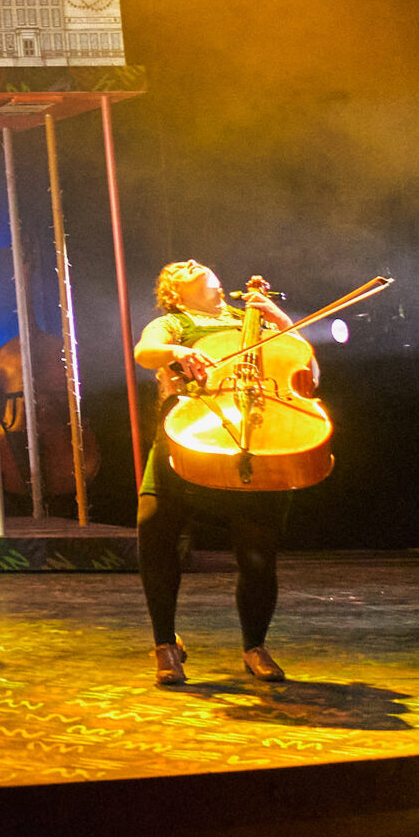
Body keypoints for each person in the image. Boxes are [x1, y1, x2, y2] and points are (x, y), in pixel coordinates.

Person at [131, 260, 299, 686]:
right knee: (154, 528)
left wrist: (281, 322)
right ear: (175, 293)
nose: (195, 266)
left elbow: (304, 367)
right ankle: (165, 644)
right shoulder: (172, 323)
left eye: (199, 266)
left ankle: (255, 645)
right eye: (184, 270)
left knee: (258, 551)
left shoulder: (251, 323)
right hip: (191, 433)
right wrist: (179, 352)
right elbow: (144, 352)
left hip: (252, 437)